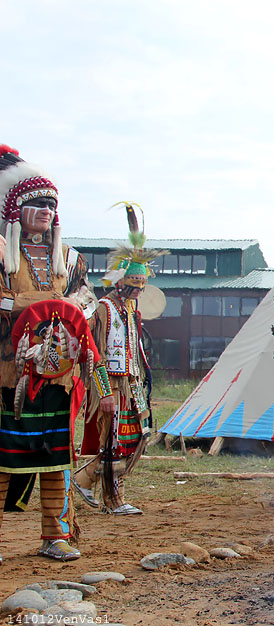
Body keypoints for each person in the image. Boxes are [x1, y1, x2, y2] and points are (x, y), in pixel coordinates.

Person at [0, 145, 101, 562]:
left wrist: (71, 308)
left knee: (56, 457)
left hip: (58, 375)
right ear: (13, 208)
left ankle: (55, 535)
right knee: (4, 457)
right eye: (36, 203)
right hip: (10, 373)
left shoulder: (69, 258)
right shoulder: (2, 252)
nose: (46, 210)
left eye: (51, 204)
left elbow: (88, 299)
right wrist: (33, 303)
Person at [74, 207, 165, 515]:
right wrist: (104, 392)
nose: (138, 292)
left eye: (141, 287)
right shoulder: (103, 309)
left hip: (130, 383)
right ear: (120, 282)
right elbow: (94, 353)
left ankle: (85, 479)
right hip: (111, 386)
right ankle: (114, 499)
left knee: (136, 436)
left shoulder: (129, 310)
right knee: (114, 441)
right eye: (134, 286)